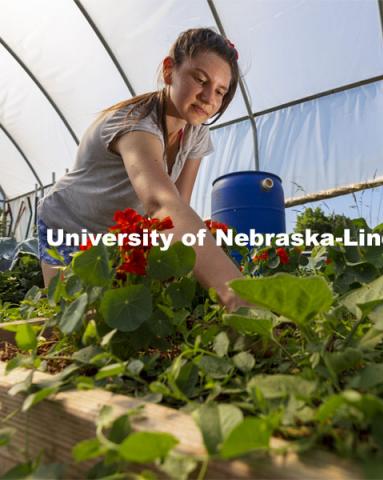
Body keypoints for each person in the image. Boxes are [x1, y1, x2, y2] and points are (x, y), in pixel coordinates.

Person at [37, 27, 247, 312]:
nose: (209, 97)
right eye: (200, 79)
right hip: (70, 224)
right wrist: (237, 296)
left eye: (220, 91)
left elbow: (177, 210)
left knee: (123, 316)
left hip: (115, 236)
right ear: (169, 70)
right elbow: (161, 203)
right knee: (72, 321)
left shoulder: (196, 134)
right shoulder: (136, 125)